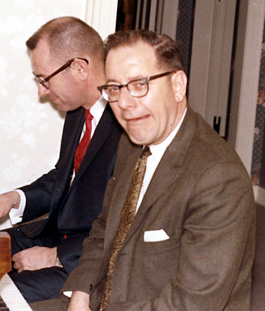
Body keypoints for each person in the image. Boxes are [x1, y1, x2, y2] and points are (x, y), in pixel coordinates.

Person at [30, 29, 256, 311]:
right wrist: (81, 289)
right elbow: (103, 228)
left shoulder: (218, 178)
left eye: (139, 84)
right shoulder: (132, 143)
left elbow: (191, 304)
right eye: (114, 88)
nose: (124, 103)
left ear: (178, 85)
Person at [0, 16, 122, 303]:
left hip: (88, 259)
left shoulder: (128, 123)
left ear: (79, 68)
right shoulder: (78, 110)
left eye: (44, 79)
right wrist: (13, 199)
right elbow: (65, 178)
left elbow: (126, 222)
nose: (42, 91)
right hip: (55, 234)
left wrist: (54, 257)